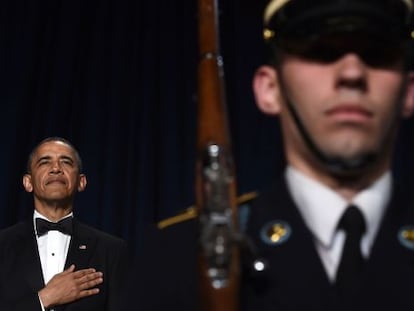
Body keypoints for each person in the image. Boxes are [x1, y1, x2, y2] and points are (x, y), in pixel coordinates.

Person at [137, 0, 414, 310]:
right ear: (270, 90)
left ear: (409, 91)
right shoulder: (176, 262)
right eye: (319, 49)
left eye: (377, 53)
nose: (352, 72)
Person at [0, 137, 129, 311]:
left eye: (66, 162)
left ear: (81, 182)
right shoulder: (3, 245)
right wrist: (44, 299)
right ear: (28, 182)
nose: (56, 169)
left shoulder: (111, 250)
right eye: (44, 162)